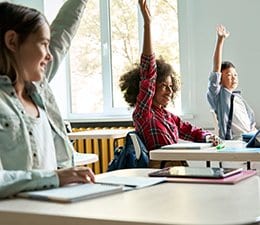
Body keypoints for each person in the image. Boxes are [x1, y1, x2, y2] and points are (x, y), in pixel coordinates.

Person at [0, 0, 95, 199]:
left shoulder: (38, 91)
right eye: (43, 44)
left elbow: (63, 35)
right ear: (12, 42)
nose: (49, 56)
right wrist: (55, 177)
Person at [119, 0, 220, 167]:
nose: (169, 91)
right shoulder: (144, 113)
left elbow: (190, 130)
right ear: (153, 87)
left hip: (177, 168)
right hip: (162, 170)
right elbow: (148, 74)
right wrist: (147, 25)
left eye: (172, 87)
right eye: (164, 86)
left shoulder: (167, 116)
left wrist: (207, 136)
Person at [207, 24, 257, 140]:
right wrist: (220, 40)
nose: (233, 78)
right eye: (229, 75)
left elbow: (251, 122)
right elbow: (215, 71)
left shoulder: (238, 98)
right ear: (220, 79)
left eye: (235, 75)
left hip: (249, 137)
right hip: (235, 140)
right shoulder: (219, 97)